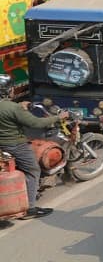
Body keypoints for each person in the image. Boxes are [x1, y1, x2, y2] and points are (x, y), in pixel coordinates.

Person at [0, 74, 64, 219]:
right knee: (33, 170)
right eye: (10, 89)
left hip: (3, 146)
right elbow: (36, 124)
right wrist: (57, 117)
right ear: (6, 90)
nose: (12, 91)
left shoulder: (13, 107)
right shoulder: (12, 108)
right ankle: (30, 208)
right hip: (15, 145)